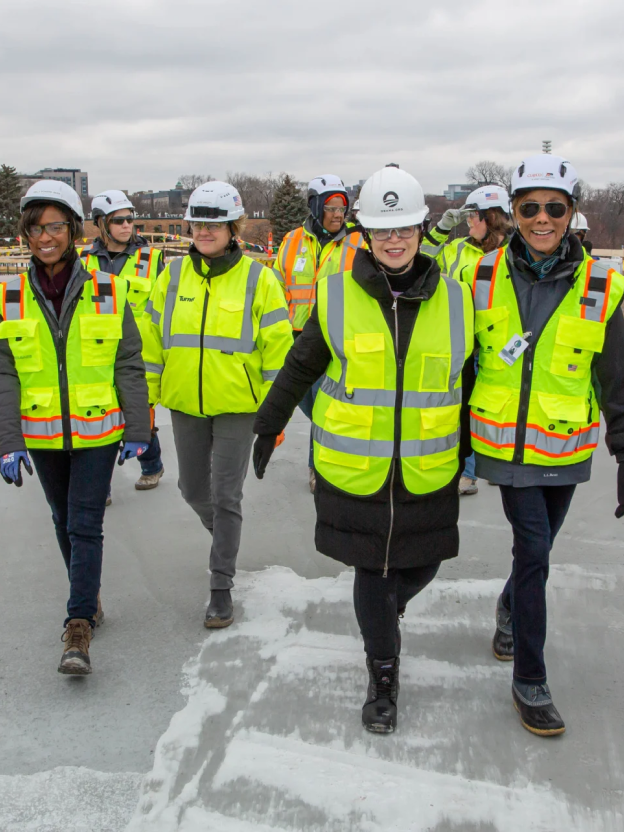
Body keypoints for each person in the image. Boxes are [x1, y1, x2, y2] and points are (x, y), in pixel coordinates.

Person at [252, 167, 475, 734]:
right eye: (381, 231)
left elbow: (468, 380)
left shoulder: (456, 297)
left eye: (403, 229)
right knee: (372, 572)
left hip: (428, 466)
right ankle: (383, 675)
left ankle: (384, 615)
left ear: (422, 229)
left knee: (421, 562)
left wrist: (477, 452)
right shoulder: (335, 294)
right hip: (357, 469)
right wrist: (269, 424)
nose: (393, 241)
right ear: (365, 235)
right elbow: (301, 365)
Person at [468, 155, 624, 736]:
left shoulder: (605, 285)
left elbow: (617, 377)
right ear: (512, 212)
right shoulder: (478, 276)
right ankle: (529, 677)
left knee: (540, 548)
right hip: (502, 446)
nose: (541, 219)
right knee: (533, 548)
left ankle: (511, 605)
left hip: (564, 448)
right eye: (529, 207)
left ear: (571, 213)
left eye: (553, 208)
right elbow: (458, 361)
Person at [0, 181, 150, 675]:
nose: (47, 236)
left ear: (73, 230)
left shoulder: (108, 290)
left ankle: (78, 625)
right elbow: (4, 371)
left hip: (97, 432)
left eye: (56, 226)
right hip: (41, 434)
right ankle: (89, 597)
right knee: (63, 521)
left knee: (85, 522)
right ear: (26, 234)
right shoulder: (11, 294)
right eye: (37, 227)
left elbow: (128, 360)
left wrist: (137, 427)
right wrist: (8, 438)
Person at [142, 181, 293, 628]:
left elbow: (278, 353)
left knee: (227, 494)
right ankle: (223, 539)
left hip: (238, 407)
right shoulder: (171, 277)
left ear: (233, 228)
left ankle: (221, 584)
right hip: (185, 404)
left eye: (215, 224)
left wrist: (273, 414)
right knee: (192, 490)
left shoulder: (258, 278)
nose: (204, 232)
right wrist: (146, 406)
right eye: (198, 223)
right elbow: (152, 345)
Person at [273, 174, 365, 493]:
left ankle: (319, 467)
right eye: (331, 206)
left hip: (338, 338)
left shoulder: (358, 242)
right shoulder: (292, 240)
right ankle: (333, 449)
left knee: (325, 404)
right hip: (298, 337)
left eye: (343, 206)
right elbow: (276, 287)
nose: (338, 213)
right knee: (308, 403)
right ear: (315, 206)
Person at [422, 186, 513, 496]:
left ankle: (485, 467)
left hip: (497, 344)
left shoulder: (513, 253)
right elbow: (421, 259)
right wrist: (442, 229)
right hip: (458, 342)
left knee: (489, 408)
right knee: (459, 409)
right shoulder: (459, 247)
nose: (469, 221)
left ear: (493, 218)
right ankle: (466, 471)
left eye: (474, 215)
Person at [79, 190, 166, 494]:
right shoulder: (83, 262)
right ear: (101, 224)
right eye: (119, 221)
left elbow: (165, 307)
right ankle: (98, 485)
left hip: (139, 353)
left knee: (139, 413)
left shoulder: (152, 259)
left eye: (131, 219)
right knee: (98, 418)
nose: (127, 226)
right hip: (97, 352)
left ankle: (152, 465)